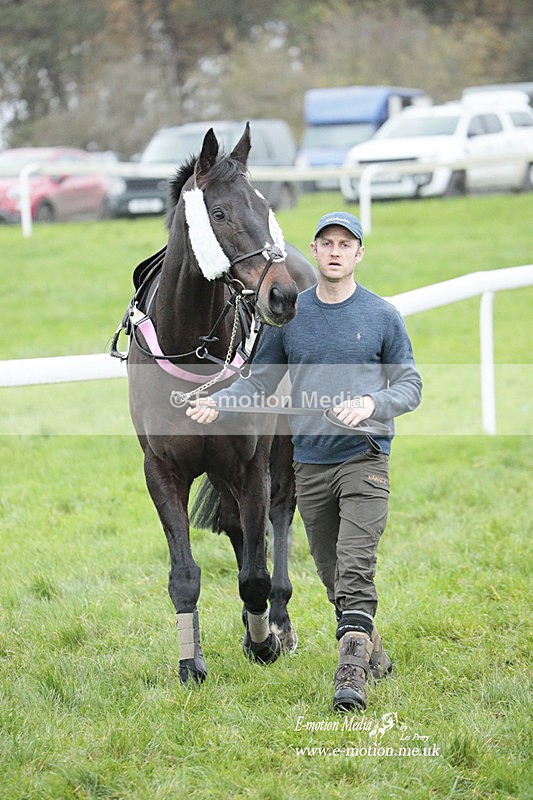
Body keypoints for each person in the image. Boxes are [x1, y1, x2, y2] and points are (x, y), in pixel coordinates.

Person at [187, 211, 422, 712]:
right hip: (310, 466)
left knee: (356, 567)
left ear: (359, 254)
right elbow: (260, 382)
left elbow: (410, 385)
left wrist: (371, 406)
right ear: (313, 253)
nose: (335, 251)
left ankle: (351, 674)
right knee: (330, 567)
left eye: (345, 244)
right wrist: (219, 401)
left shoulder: (382, 316)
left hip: (366, 458)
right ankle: (371, 649)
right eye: (326, 243)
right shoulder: (291, 318)